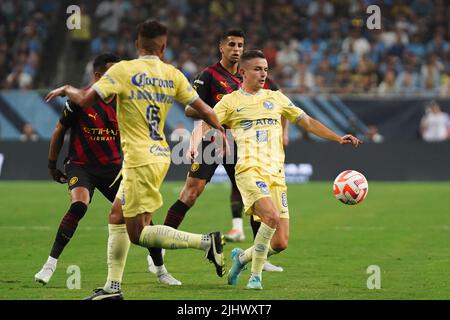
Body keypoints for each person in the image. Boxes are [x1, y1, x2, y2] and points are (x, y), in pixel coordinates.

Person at [45, 20, 226, 300]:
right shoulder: (173, 74)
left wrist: (68, 88)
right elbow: (205, 110)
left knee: (137, 233)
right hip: (158, 155)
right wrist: (221, 132)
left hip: (139, 159)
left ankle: (205, 242)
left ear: (137, 45)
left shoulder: (123, 70)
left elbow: (84, 100)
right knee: (116, 216)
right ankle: (112, 288)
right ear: (164, 47)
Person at [212, 50, 361, 290]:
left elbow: (308, 122)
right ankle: (255, 277)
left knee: (280, 243)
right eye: (258, 69)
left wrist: (336, 137)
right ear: (243, 72)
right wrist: (203, 127)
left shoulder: (277, 98)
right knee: (269, 217)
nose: (263, 74)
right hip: (249, 169)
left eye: (266, 70)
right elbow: (209, 118)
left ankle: (241, 258)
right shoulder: (230, 101)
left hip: (276, 175)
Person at [146, 29, 285, 282]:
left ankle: (258, 257)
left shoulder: (249, 76)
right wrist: (211, 120)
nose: (236, 49)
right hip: (211, 139)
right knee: (190, 193)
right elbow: (190, 109)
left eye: (240, 45)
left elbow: (278, 103)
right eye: (231, 44)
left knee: (256, 197)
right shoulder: (208, 76)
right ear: (221, 47)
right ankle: (160, 248)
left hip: (241, 144)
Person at [34, 53, 122, 285]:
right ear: (97, 76)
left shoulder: (125, 101)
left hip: (114, 169)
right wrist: (52, 164)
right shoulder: (80, 100)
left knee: (138, 215)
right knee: (79, 205)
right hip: (81, 166)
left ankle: (159, 267)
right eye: (113, 72)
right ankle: (49, 265)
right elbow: (58, 131)